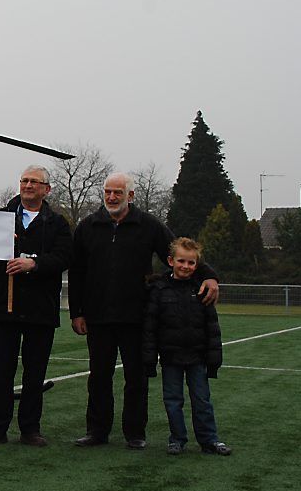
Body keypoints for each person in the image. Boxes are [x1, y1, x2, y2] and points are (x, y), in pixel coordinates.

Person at [69, 172, 219, 449]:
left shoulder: (149, 225)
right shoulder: (87, 226)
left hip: (137, 316)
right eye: (108, 192)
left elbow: (176, 254)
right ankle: (97, 431)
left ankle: (135, 433)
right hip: (98, 316)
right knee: (99, 376)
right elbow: (77, 272)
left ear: (131, 196)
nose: (112, 197)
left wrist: (209, 276)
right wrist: (76, 312)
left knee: (135, 378)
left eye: (118, 192)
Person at [0, 165, 72, 447]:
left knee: (34, 374)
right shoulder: (1, 219)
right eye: (25, 180)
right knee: (1, 372)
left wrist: (35, 264)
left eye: (35, 182)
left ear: (46, 189)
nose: (28, 185)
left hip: (40, 310)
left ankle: (30, 429)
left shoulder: (57, 223)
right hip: (4, 310)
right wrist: (0, 246)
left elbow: (65, 257)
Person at [143, 237, 231, 456]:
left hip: (197, 357)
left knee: (202, 400)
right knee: (173, 401)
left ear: (197, 265)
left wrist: (214, 358)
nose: (186, 266)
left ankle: (209, 440)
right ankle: (177, 439)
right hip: (171, 358)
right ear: (171, 261)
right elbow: (150, 327)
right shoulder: (159, 289)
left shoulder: (202, 289)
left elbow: (212, 327)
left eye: (191, 263)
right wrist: (149, 358)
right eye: (181, 261)